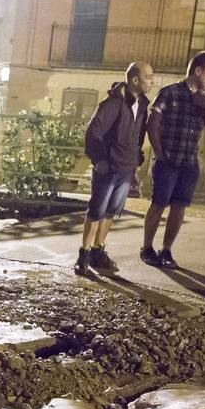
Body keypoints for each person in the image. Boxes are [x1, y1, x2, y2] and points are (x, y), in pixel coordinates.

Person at [75, 61, 154, 277]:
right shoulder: (112, 104)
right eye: (148, 76)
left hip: (126, 169)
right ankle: (84, 254)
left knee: (112, 211)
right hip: (108, 168)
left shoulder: (142, 104)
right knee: (97, 210)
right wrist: (100, 160)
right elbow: (93, 133)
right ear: (135, 80)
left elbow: (138, 135)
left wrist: (137, 158)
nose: (152, 81)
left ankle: (98, 251)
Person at [143, 51, 205, 269]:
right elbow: (153, 123)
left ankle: (166, 250)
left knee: (179, 207)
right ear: (198, 71)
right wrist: (159, 154)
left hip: (189, 164)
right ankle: (146, 247)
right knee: (158, 204)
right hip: (168, 161)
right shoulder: (169, 93)